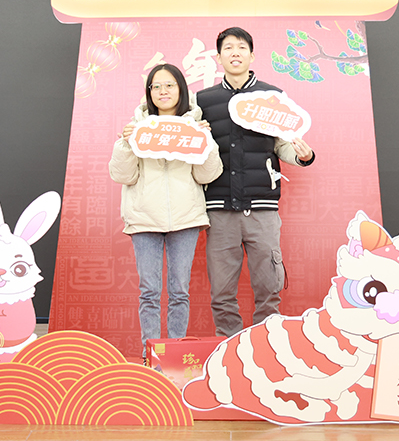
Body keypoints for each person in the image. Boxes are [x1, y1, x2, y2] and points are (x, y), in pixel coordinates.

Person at [197, 26, 315, 338]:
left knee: (269, 286)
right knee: (221, 292)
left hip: (262, 207)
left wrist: (302, 155)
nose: (234, 53)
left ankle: (265, 347)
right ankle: (228, 349)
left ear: (252, 55)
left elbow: (282, 145)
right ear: (219, 57)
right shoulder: (203, 100)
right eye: (228, 48)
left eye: (241, 47)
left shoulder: (272, 97)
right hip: (219, 208)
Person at [109, 63, 222, 360]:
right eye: (156, 86)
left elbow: (207, 175)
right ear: (149, 93)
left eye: (169, 85)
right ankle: (151, 355)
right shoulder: (138, 128)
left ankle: (174, 357)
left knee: (179, 291)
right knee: (149, 291)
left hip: (185, 219)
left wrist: (207, 143)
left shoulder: (195, 128)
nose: (163, 91)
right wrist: (125, 144)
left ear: (181, 89)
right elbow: (123, 175)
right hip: (144, 218)